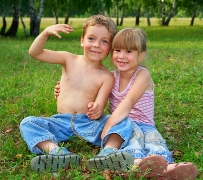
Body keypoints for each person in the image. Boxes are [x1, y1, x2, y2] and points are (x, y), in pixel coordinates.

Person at [55, 27, 198, 179]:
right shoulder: (110, 77)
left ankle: (166, 166)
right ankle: (136, 164)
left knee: (153, 140)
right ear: (111, 52)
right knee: (132, 140)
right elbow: (89, 94)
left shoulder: (142, 74)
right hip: (123, 126)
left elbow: (128, 102)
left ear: (141, 55)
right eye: (117, 50)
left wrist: (108, 124)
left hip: (145, 124)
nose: (122, 56)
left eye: (129, 52)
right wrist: (63, 88)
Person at [19, 15, 134, 173]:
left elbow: (100, 105)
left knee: (123, 121)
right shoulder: (68, 59)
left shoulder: (107, 76)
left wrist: (97, 109)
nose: (96, 45)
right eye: (91, 39)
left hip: (88, 124)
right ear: (82, 40)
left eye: (104, 41)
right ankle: (56, 152)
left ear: (110, 48)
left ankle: (107, 153)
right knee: (27, 123)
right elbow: (35, 52)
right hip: (60, 122)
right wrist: (45, 33)